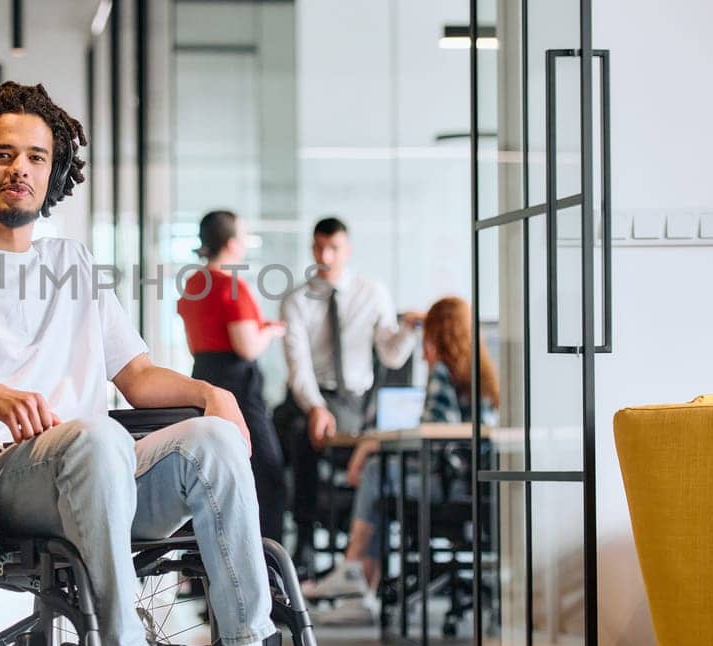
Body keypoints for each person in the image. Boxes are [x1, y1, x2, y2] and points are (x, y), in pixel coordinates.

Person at [0, 82, 355, 646]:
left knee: (209, 439)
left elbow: (140, 375)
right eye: (3, 154)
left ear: (56, 170)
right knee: (94, 436)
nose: (21, 169)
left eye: (37, 157)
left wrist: (210, 391)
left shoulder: (73, 265)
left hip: (99, 470)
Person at [301, 295, 498, 619]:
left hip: (447, 486)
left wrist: (370, 446)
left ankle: (354, 573)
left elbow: (432, 434)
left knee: (378, 474)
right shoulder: (481, 375)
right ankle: (359, 589)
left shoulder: (444, 373)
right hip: (472, 485)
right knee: (381, 482)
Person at [275, 217, 421, 574]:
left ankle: (357, 541)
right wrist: (316, 408)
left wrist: (409, 330)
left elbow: (391, 354)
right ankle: (304, 539)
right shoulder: (297, 300)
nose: (325, 255)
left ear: (347, 249)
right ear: (312, 248)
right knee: (295, 432)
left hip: (354, 402)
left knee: (357, 444)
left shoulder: (372, 293)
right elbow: (299, 366)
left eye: (333, 248)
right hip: (310, 396)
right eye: (319, 247)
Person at [175, 212, 288, 543]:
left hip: (203, 378)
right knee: (267, 473)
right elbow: (247, 346)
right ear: (231, 243)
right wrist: (271, 331)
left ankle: (201, 567)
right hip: (237, 386)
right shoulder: (230, 285)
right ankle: (270, 564)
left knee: (213, 471)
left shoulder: (194, 284)